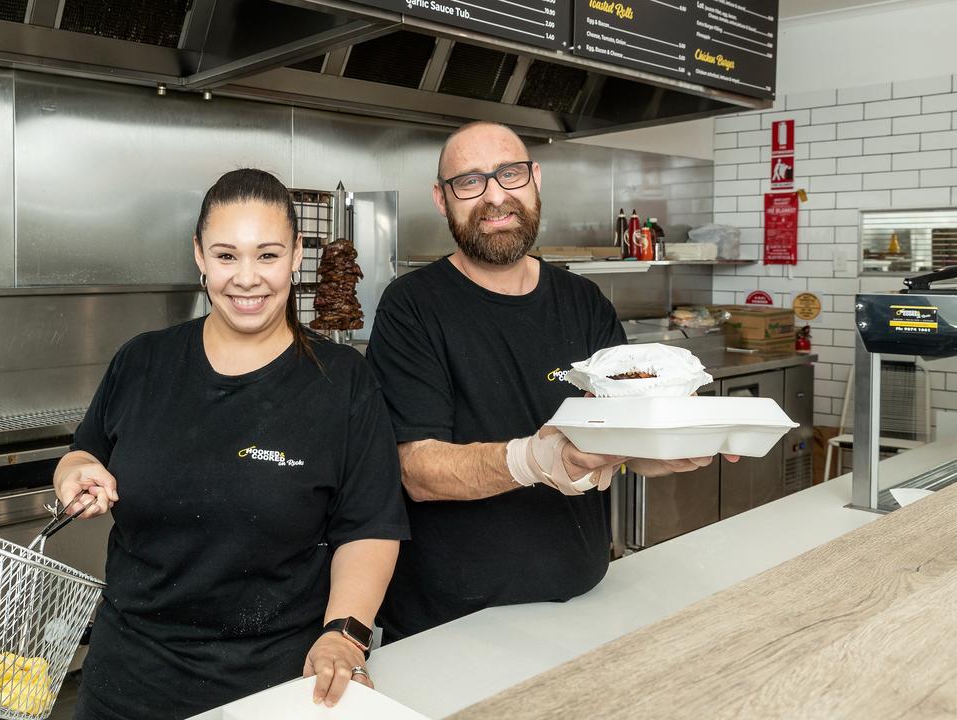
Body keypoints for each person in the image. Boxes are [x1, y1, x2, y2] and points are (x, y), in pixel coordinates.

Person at [53, 168, 409, 720]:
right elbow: (83, 452)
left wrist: (344, 633)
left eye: (268, 256)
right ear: (198, 256)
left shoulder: (343, 383)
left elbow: (370, 527)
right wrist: (74, 473)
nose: (247, 278)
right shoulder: (142, 361)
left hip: (276, 685)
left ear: (296, 256)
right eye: (226, 256)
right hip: (127, 680)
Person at [367, 121, 727, 643]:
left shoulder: (584, 303)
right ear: (442, 200)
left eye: (509, 174)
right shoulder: (412, 307)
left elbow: (617, 440)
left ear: (535, 179)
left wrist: (665, 451)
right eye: (469, 182)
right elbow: (416, 469)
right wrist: (533, 460)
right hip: (450, 623)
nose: (495, 196)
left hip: (583, 602)